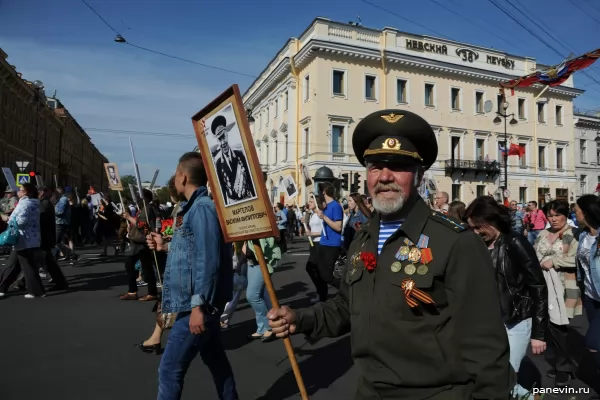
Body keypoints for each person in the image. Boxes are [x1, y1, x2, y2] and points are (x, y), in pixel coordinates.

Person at [268, 109, 512, 399]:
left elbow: (486, 348)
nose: (384, 176)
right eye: (375, 166)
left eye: (397, 165)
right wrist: (301, 318)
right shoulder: (363, 238)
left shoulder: (456, 242)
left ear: (419, 175)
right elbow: (347, 305)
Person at [147, 152, 237, 400]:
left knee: (169, 370)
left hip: (195, 305)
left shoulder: (202, 208)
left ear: (183, 177)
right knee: (216, 361)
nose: (174, 178)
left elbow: (208, 259)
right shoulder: (193, 209)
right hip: (197, 303)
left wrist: (199, 306)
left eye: (176, 174)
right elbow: (193, 249)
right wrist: (165, 246)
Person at [464, 196, 547, 399]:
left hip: (516, 319)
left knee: (505, 375)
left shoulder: (515, 242)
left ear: (491, 221)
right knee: (492, 373)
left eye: (477, 227)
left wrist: (539, 333)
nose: (474, 232)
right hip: (491, 321)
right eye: (471, 228)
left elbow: (538, 287)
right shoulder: (478, 246)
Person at [0, 183, 45, 298]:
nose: (18, 192)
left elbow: (21, 221)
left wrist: (8, 219)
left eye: (20, 190)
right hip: (32, 238)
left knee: (25, 266)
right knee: (14, 265)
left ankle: (36, 291)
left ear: (26, 192)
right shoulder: (35, 202)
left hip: (23, 238)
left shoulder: (24, 203)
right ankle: (3, 288)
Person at [211, 115, 255, 205]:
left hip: (248, 202)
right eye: (219, 139)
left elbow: (250, 180)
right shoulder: (218, 164)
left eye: (223, 137)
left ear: (227, 135)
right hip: (233, 206)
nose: (223, 142)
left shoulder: (240, 155)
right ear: (217, 142)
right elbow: (222, 189)